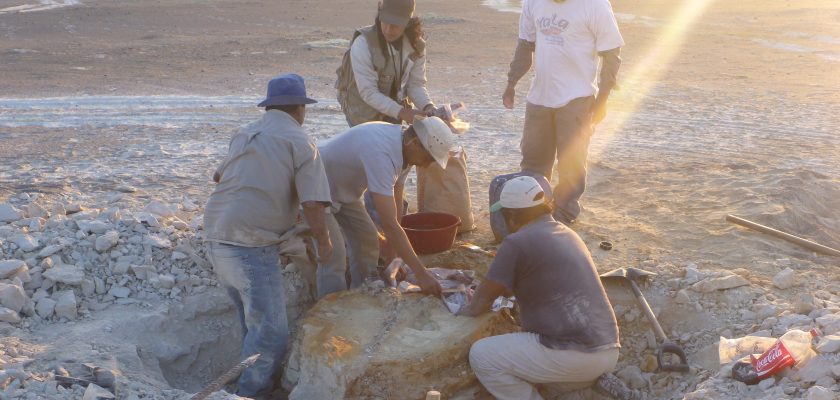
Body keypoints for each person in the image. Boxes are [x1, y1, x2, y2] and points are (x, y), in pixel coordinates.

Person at [203, 74, 333, 397]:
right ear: (301, 109)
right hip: (249, 244)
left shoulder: (246, 132)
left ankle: (250, 380)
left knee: (253, 323)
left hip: (214, 233)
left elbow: (219, 175)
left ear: (270, 106)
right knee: (272, 333)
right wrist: (325, 241)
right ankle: (249, 393)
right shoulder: (301, 142)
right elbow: (314, 203)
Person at [458, 176, 620, 400]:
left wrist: (453, 312)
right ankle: (581, 387)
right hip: (608, 349)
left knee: (482, 355)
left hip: (575, 353)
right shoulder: (567, 233)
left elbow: (478, 306)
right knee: (547, 380)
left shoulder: (516, 243)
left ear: (511, 216)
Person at [503, 0, 624, 224]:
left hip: (577, 99)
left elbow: (611, 54)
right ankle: (534, 214)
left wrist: (602, 101)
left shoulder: (595, 5)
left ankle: (564, 216)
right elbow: (525, 44)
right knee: (533, 164)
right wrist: (512, 82)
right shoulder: (532, 2)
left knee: (571, 166)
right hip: (539, 98)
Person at [317, 117, 457, 297]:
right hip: (317, 186)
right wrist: (422, 274)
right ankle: (329, 310)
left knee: (367, 239)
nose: (428, 164)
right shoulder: (382, 153)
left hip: (344, 189)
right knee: (334, 253)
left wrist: (394, 258)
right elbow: (389, 223)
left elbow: (396, 207)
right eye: (430, 157)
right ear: (414, 143)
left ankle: (363, 294)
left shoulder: (405, 152)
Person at [337, 0, 434, 126]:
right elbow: (369, 92)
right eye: (385, 22)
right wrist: (402, 112)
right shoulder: (362, 44)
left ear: (407, 23)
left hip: (396, 107)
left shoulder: (417, 46)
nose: (388, 30)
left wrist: (429, 107)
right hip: (361, 110)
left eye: (395, 25)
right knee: (371, 143)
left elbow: (415, 85)